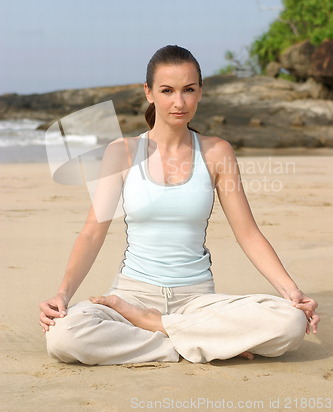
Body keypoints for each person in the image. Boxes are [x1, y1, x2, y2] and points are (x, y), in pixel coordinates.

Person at [39, 45, 319, 365]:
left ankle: (158, 327)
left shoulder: (216, 152)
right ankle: (198, 342)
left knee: (289, 322)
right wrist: (62, 295)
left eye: (188, 90)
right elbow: (92, 232)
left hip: (196, 301)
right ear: (149, 93)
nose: (179, 102)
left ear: (200, 92)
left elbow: (248, 234)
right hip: (131, 296)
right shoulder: (123, 152)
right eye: (167, 90)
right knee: (63, 336)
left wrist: (292, 292)